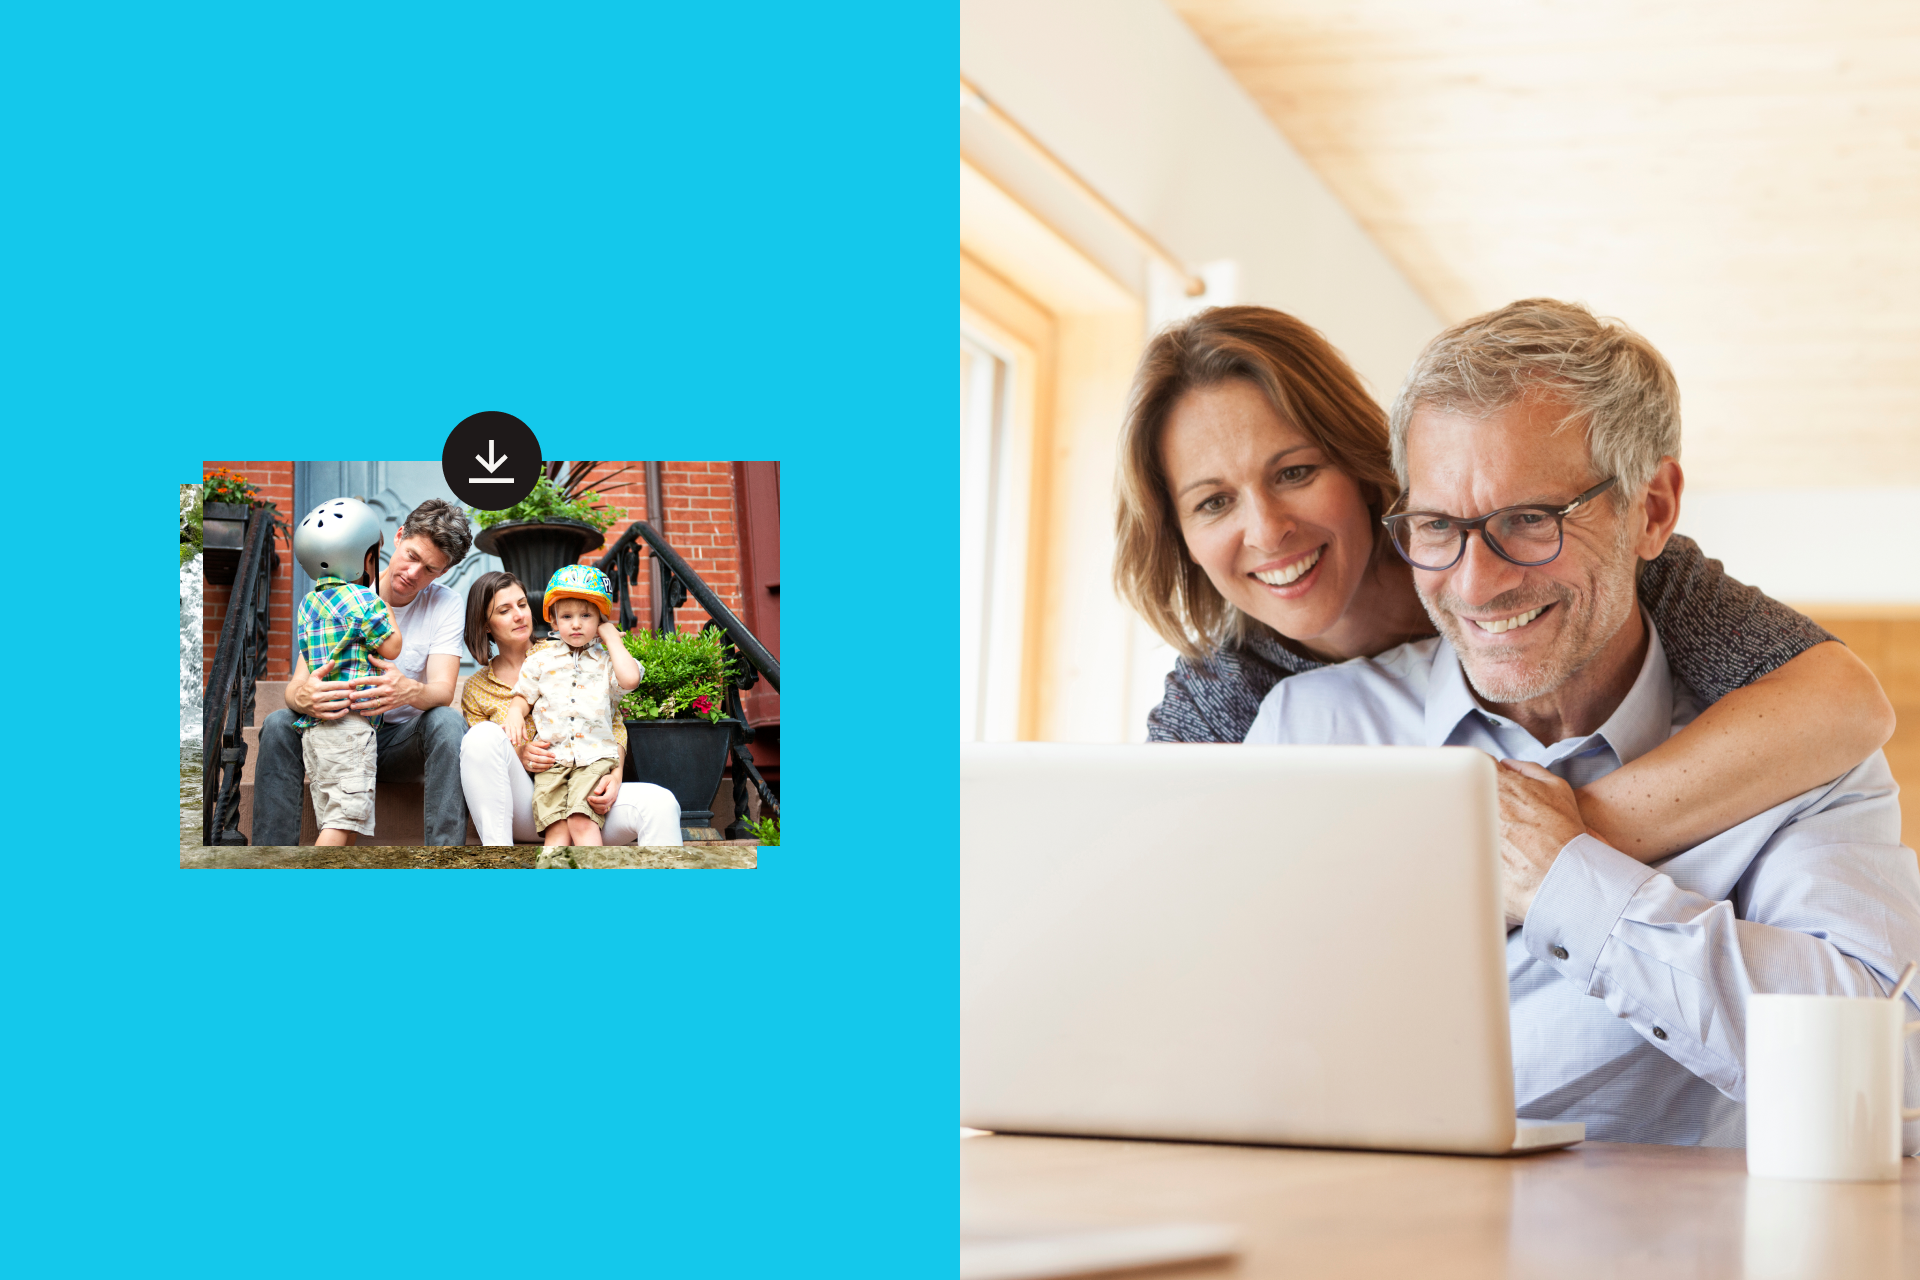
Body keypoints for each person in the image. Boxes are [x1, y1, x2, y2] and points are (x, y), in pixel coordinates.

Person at [1244, 298, 1920, 1148]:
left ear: (1653, 510)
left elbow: (1886, 1070)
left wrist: (1572, 886)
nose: (1477, 583)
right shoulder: (1311, 730)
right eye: (1438, 526)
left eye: (1531, 520)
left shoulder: (1803, 764)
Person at [1113, 305, 1895, 863]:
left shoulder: (1621, 571)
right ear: (1177, 534)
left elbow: (1844, 702)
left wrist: (1555, 847)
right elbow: (1151, 877)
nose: (1267, 529)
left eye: (1294, 472)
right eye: (1213, 501)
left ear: (1360, 467)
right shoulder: (1229, 696)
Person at [254, 497, 474, 845]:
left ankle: (444, 864)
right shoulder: (345, 589)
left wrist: (408, 691)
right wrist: (305, 696)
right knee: (278, 723)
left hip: (396, 742)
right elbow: (296, 686)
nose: (413, 573)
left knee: (448, 722)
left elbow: (443, 691)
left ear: (444, 572)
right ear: (398, 536)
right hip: (337, 730)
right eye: (412, 556)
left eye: (430, 569)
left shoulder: (445, 603)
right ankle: (271, 863)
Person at [459, 570, 682, 846]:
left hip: (588, 789)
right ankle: (499, 864)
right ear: (485, 625)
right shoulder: (477, 688)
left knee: (661, 803)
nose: (519, 615)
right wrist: (520, 752)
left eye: (522, 604)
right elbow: (486, 763)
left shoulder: (573, 650)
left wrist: (615, 773)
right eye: (504, 610)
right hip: (529, 801)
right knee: (482, 737)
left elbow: (612, 720)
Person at [286, 498, 405, 846]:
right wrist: (383, 608)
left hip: (317, 730)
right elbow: (392, 647)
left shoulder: (308, 604)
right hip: (351, 728)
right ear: (364, 559)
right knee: (343, 821)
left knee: (338, 821)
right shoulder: (366, 602)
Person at [502, 566, 644, 848]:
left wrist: (612, 637)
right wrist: (515, 714)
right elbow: (523, 697)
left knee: (582, 822)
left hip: (594, 758)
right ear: (553, 622)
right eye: (567, 616)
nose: (576, 624)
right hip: (552, 763)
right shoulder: (539, 661)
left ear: (600, 620)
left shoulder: (607, 662)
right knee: (555, 831)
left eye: (586, 616)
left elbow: (630, 680)